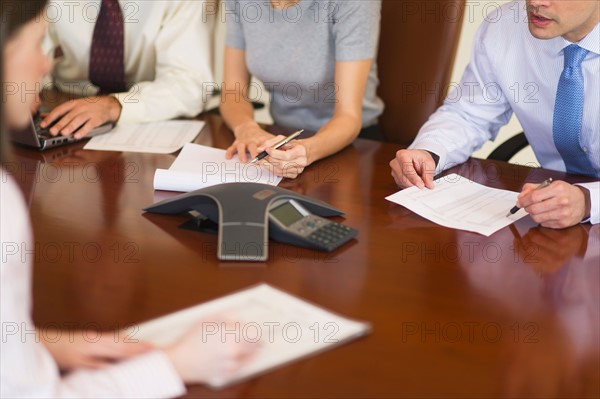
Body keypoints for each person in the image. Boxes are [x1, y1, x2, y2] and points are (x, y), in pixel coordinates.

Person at [0, 1, 256, 396]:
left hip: (164, 130)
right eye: (34, 51)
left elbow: (190, 82)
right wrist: (174, 365)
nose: (45, 65)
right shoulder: (22, 205)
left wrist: (38, 343)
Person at [389, 0, 599, 229]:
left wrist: (589, 201)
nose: (536, 2)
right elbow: (468, 114)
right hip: (550, 214)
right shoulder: (505, 26)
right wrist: (429, 152)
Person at [220, 0, 384, 178]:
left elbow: (348, 116)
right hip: (281, 138)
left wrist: (307, 150)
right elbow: (232, 91)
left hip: (351, 145)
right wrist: (246, 128)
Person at [38, 0, 214, 139]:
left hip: (147, 115)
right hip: (64, 103)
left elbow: (189, 84)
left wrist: (117, 105)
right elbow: (25, 49)